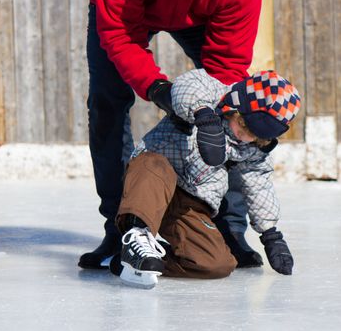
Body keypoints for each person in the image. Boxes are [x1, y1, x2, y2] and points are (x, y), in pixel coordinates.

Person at [79, 0, 265, 270]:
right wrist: (157, 89)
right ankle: (120, 228)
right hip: (129, 5)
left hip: (205, 15)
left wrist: (203, 106)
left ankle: (230, 227)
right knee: (106, 105)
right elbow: (119, 33)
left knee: (230, 105)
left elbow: (227, 67)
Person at [111, 69, 301, 288]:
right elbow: (187, 85)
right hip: (154, 179)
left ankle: (142, 261)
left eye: (257, 136)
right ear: (236, 106)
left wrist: (270, 234)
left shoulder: (253, 149)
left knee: (217, 263)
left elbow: (259, 186)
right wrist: (204, 117)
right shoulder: (213, 93)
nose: (247, 137)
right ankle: (137, 236)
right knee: (152, 163)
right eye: (245, 125)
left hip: (190, 204)